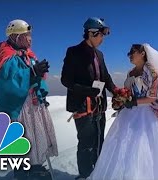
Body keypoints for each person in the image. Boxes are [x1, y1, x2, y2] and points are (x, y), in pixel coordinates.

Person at [89, 44, 158, 180]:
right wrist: (121, 101)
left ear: (142, 54)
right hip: (131, 112)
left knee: (149, 148)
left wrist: (134, 102)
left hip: (148, 113)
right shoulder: (130, 73)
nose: (129, 55)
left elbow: (154, 96)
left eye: (132, 52)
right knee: (126, 148)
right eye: (129, 53)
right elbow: (127, 92)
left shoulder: (152, 72)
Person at [0, 19, 58, 179]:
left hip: (30, 106)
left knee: (34, 140)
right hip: (17, 109)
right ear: (16, 37)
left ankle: (35, 167)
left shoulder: (26, 54)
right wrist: (32, 73)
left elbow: (31, 76)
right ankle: (23, 172)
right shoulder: (5, 56)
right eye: (27, 35)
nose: (30, 38)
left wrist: (38, 73)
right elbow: (7, 83)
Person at [61, 17, 117, 179]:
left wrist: (116, 91)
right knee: (86, 144)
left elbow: (105, 77)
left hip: (99, 106)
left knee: (99, 140)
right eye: (101, 35)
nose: (103, 39)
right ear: (91, 33)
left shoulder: (99, 54)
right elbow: (66, 80)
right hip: (83, 107)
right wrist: (88, 91)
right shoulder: (74, 52)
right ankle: (85, 175)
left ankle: (98, 173)